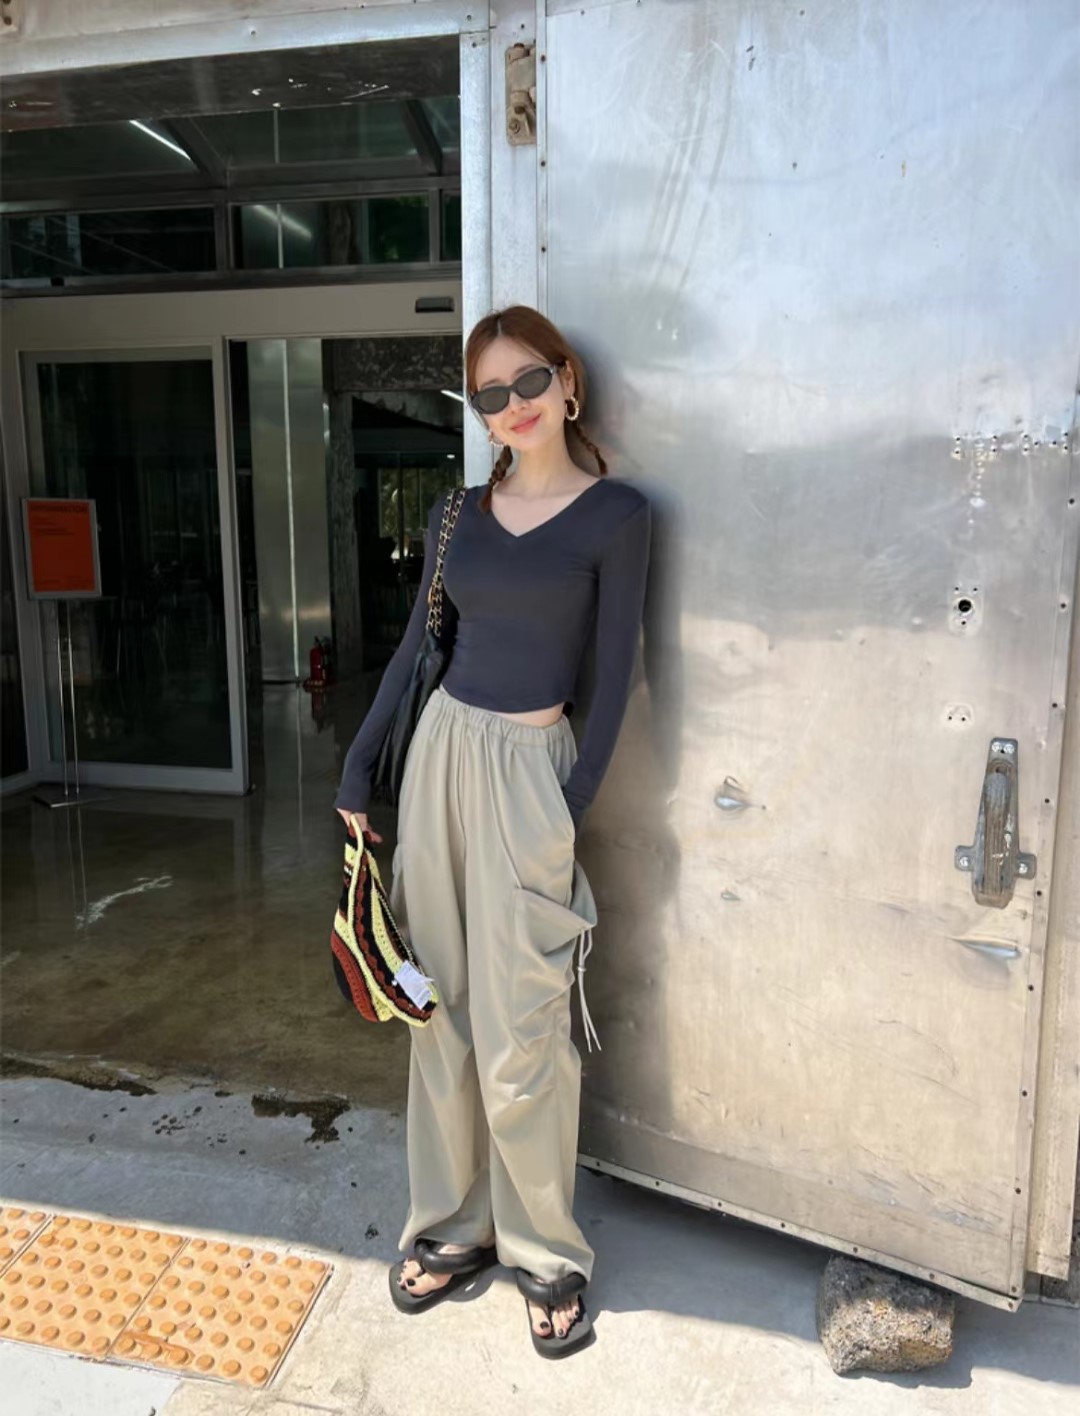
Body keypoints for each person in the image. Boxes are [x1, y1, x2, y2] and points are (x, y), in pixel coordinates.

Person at [333, 304, 651, 1358]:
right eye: (489, 394)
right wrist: (359, 767)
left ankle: (545, 1249)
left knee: (528, 1027)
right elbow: (413, 649)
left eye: (529, 382)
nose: (512, 406)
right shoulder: (457, 515)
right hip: (440, 758)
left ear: (568, 382)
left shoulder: (616, 517)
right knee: (439, 1009)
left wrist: (567, 807)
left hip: (530, 773)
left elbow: (614, 679)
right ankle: (452, 1225)